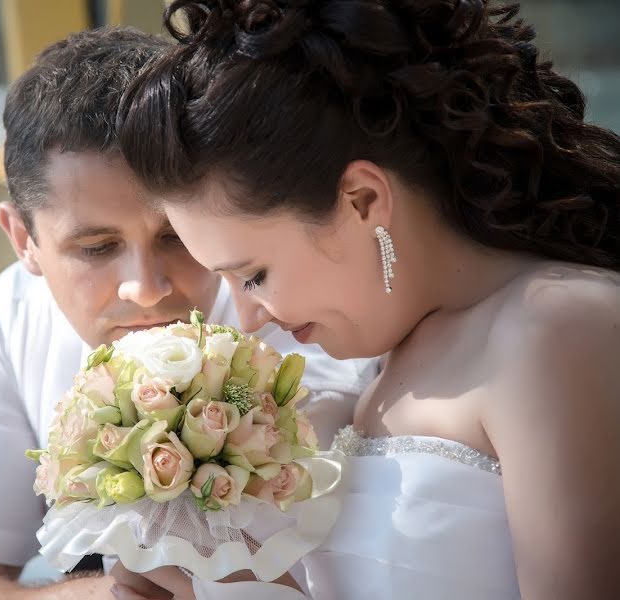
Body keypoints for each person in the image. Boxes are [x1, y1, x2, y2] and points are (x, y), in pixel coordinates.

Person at [112, 0, 620, 598]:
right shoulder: (386, 354)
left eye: (252, 275)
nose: (247, 318)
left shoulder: (558, 330)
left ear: (361, 200)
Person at [0, 27, 378, 600]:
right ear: (22, 240)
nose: (147, 287)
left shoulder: (296, 316)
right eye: (96, 248)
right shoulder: (13, 313)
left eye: (176, 237)